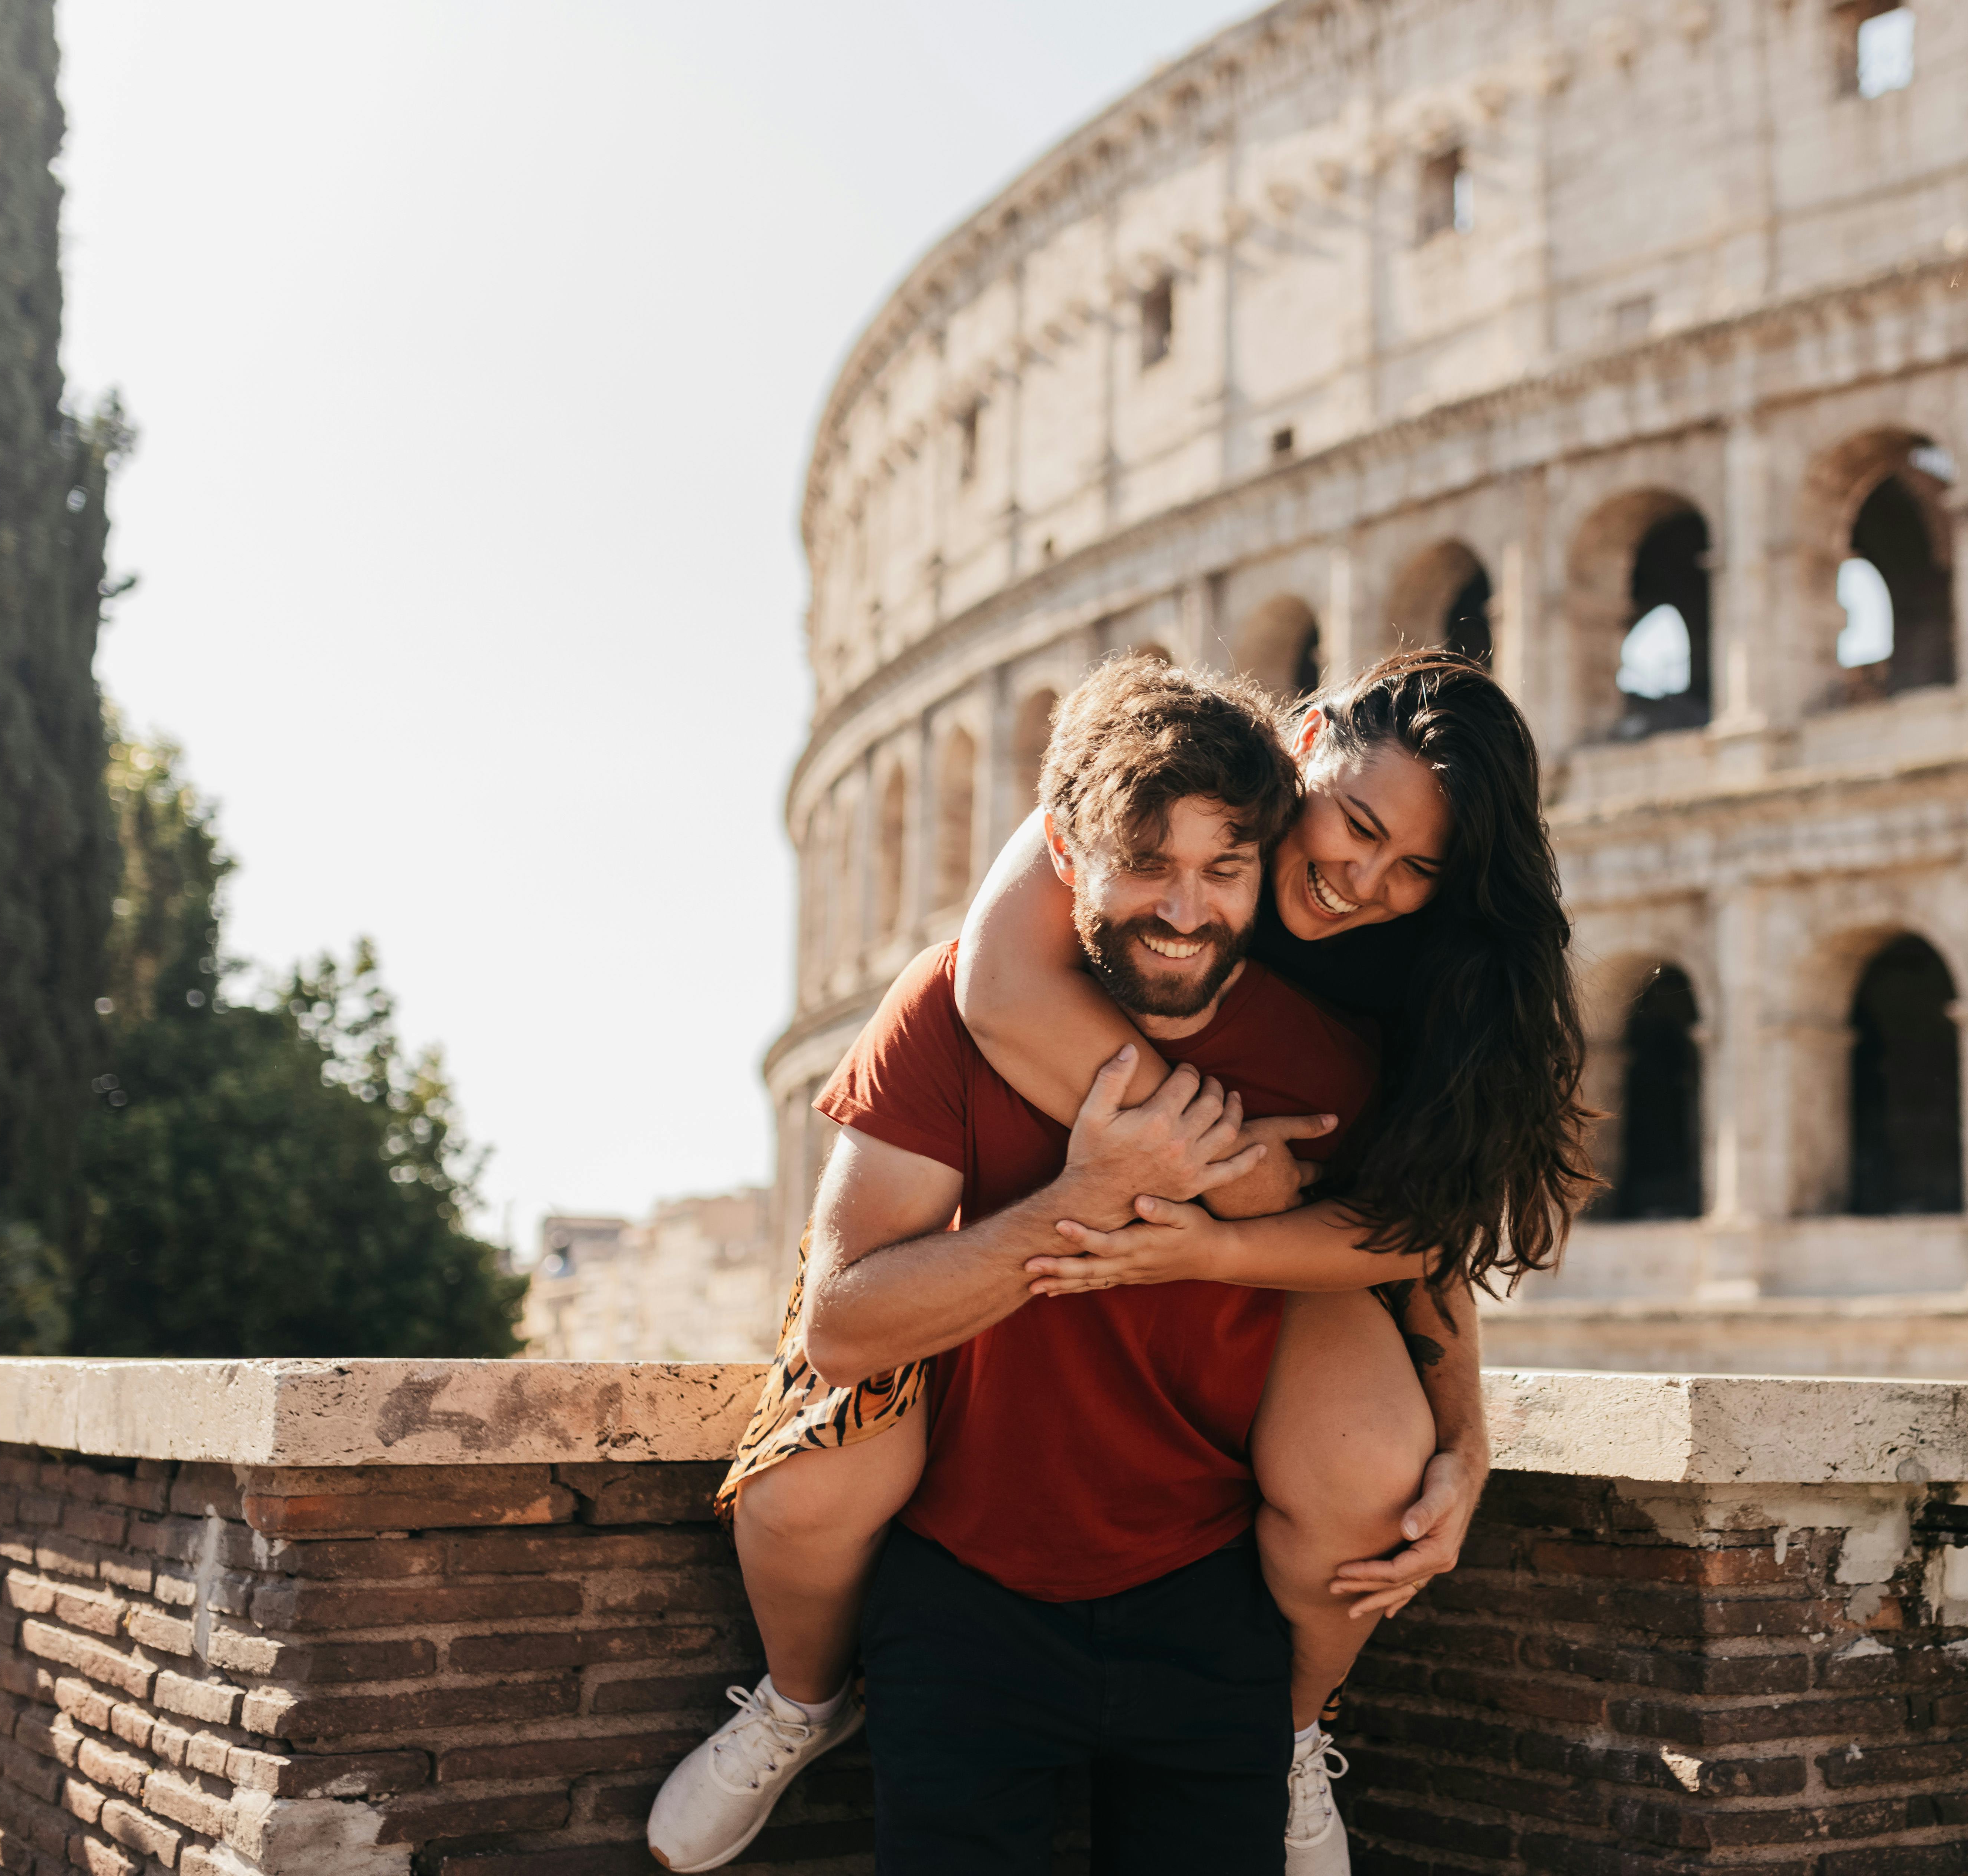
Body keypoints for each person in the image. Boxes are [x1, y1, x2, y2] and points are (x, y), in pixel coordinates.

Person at [648, 651, 1593, 1872]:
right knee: (815, 1476)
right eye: (1353, 826)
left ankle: (1291, 1731)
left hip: (1256, 1271)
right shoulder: (1115, 824)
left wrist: (1465, 1437)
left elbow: (1422, 1232)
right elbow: (994, 984)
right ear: (1298, 747)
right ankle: (799, 1698)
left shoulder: (1420, 977)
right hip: (1059, 1249)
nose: (1363, 881)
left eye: (1415, 866)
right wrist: (1193, 1173)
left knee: (1374, 1468)